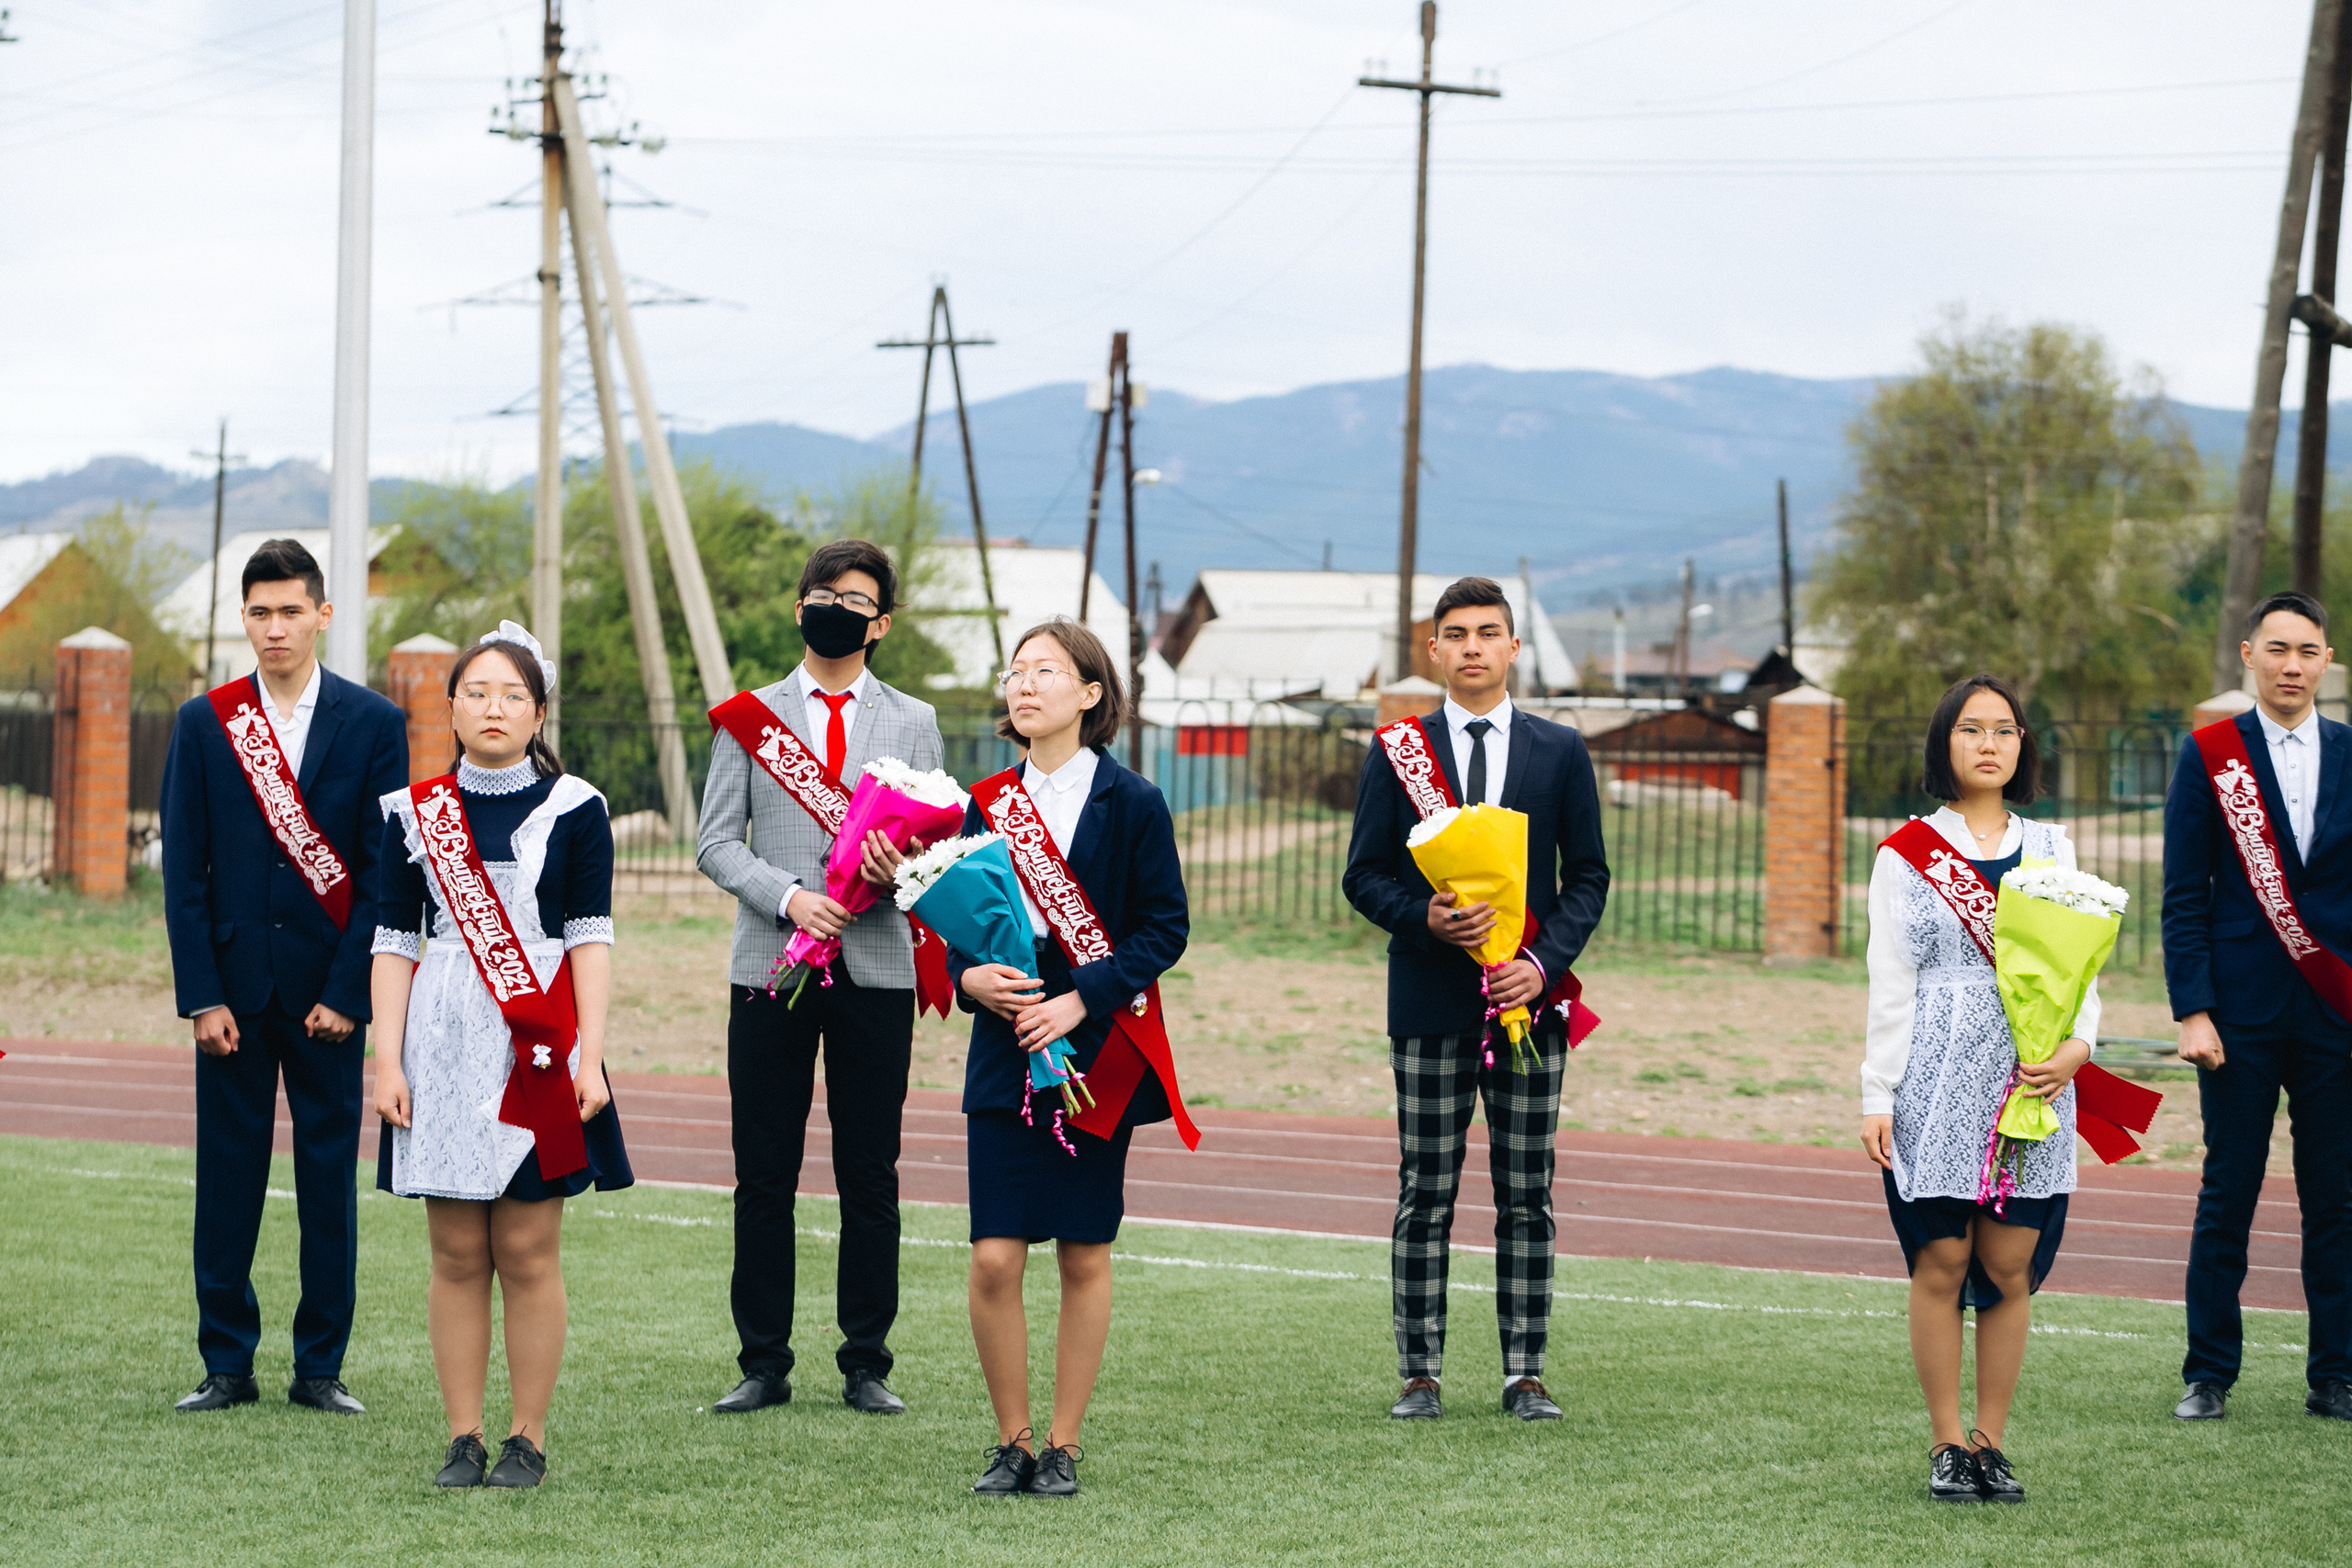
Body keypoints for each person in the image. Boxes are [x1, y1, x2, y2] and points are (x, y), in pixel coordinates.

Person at [1341, 576, 1610, 1425]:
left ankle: (1524, 1370)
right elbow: (1363, 874)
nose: (1471, 647)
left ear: (1513, 647)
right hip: (1428, 998)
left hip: (1529, 1003)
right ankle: (1419, 1371)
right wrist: (1424, 917)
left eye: (1488, 633)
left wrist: (1541, 959)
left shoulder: (1559, 750)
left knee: (1526, 1189)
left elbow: (1589, 877)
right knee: (1427, 1186)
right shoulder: (1398, 750)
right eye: (1454, 634)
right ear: (1434, 650)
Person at [369, 624, 630, 1489]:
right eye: (477, 692)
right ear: (450, 707)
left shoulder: (578, 808)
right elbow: (394, 941)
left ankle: (528, 1435)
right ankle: (464, 1434)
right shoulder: (413, 813)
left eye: (512, 694)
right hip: (439, 1039)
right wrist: (387, 1060)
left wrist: (594, 1057)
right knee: (454, 1252)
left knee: (526, 1248)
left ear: (539, 711)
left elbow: (589, 939)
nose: (493, 707)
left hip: (540, 1044)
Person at [696, 538, 945, 1418]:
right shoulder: (748, 717)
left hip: (877, 968)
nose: (834, 606)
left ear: (880, 621)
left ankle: (865, 1360)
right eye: (821, 592)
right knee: (764, 1169)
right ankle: (763, 1359)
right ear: (800, 606)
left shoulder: (914, 721)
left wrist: (897, 866)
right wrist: (790, 896)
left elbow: (940, 851)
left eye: (855, 597)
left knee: (868, 1169)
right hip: (770, 965)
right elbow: (715, 841)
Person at [159, 537, 407, 1416]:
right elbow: (184, 868)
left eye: (291, 611)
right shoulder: (205, 722)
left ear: (323, 615)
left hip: (325, 997)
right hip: (231, 992)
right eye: (260, 613)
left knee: (327, 1186)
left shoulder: (374, 723)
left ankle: (319, 1367)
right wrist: (201, 993)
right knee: (226, 1183)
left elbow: (381, 873)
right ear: (243, 619)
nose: (275, 628)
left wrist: (350, 993)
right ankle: (227, 1363)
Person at [950, 618, 1191, 1498]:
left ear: (1091, 694)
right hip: (1005, 1043)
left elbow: (1165, 925)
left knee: (1084, 1250)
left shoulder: (1134, 803)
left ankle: (1062, 1443)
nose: (1025, 684)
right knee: (992, 1257)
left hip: (1096, 1050)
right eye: (1016, 671)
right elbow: (957, 924)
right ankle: (1011, 1438)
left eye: (1045, 670)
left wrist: (1080, 997)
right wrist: (967, 974)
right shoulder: (985, 801)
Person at [1860, 673, 2099, 1504]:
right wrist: (1875, 1093)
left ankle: (1993, 1442)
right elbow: (1889, 981)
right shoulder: (1905, 854)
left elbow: (2082, 967)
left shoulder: (2053, 850)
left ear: (2024, 744)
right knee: (1943, 1255)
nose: (1989, 743)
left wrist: (2078, 1045)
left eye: (2005, 729)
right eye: (1971, 728)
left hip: (2033, 1074)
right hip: (1933, 1071)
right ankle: (1946, 1442)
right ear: (1944, 743)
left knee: (2007, 1263)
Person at [2164, 590, 2352, 1427]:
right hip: (2236, 1016)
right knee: (2228, 1191)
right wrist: (2193, 1008)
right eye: (2276, 649)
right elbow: (2183, 897)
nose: (2291, 665)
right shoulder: (2210, 755)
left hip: (2335, 1013)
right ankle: (2209, 1372)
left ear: (2327, 661)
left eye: (2307, 651)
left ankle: (2336, 1374)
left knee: (2337, 1201)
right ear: (2248, 654)